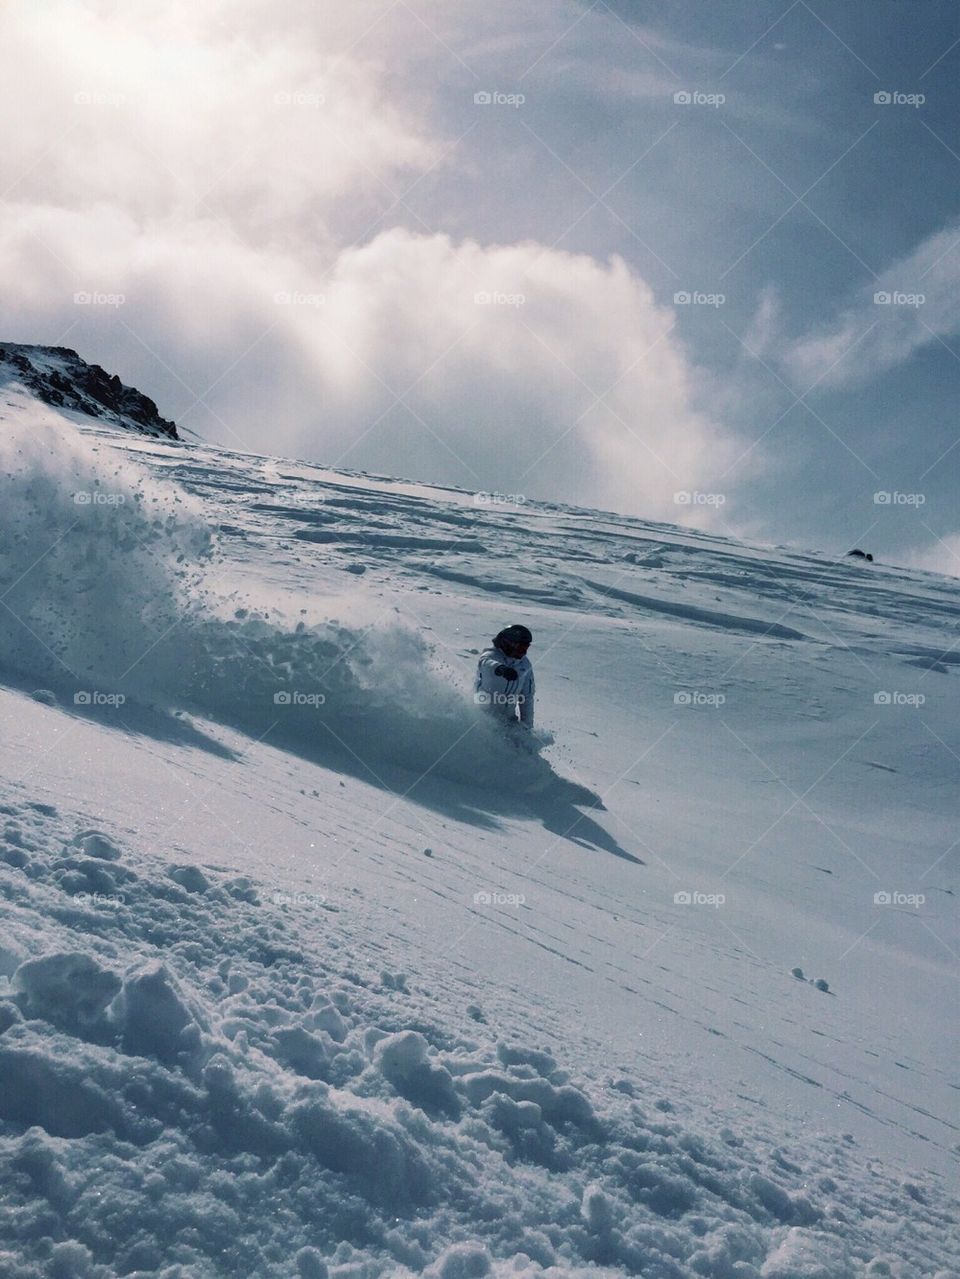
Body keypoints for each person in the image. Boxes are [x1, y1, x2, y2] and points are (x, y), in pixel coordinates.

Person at [475, 624, 535, 730]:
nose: (524, 652)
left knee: (519, 744)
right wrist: (501, 669)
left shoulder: (524, 665)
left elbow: (527, 697)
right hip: (483, 718)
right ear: (509, 643)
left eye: (526, 648)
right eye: (520, 648)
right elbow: (485, 663)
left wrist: (527, 727)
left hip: (508, 721)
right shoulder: (491, 655)